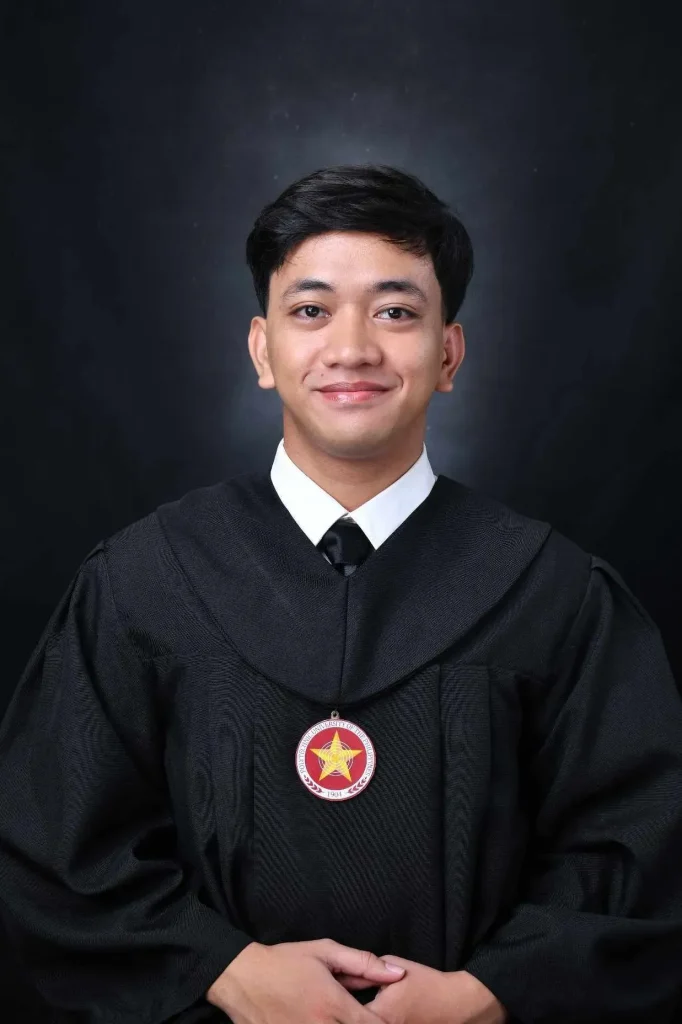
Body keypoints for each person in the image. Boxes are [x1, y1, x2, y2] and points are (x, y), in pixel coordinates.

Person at [1, 164, 682, 1024]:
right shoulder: (145, 582)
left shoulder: (555, 595)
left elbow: (639, 852)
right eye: (311, 311)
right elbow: (56, 846)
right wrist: (224, 970)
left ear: (448, 354)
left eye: (395, 312)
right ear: (262, 350)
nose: (352, 348)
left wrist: (489, 993)